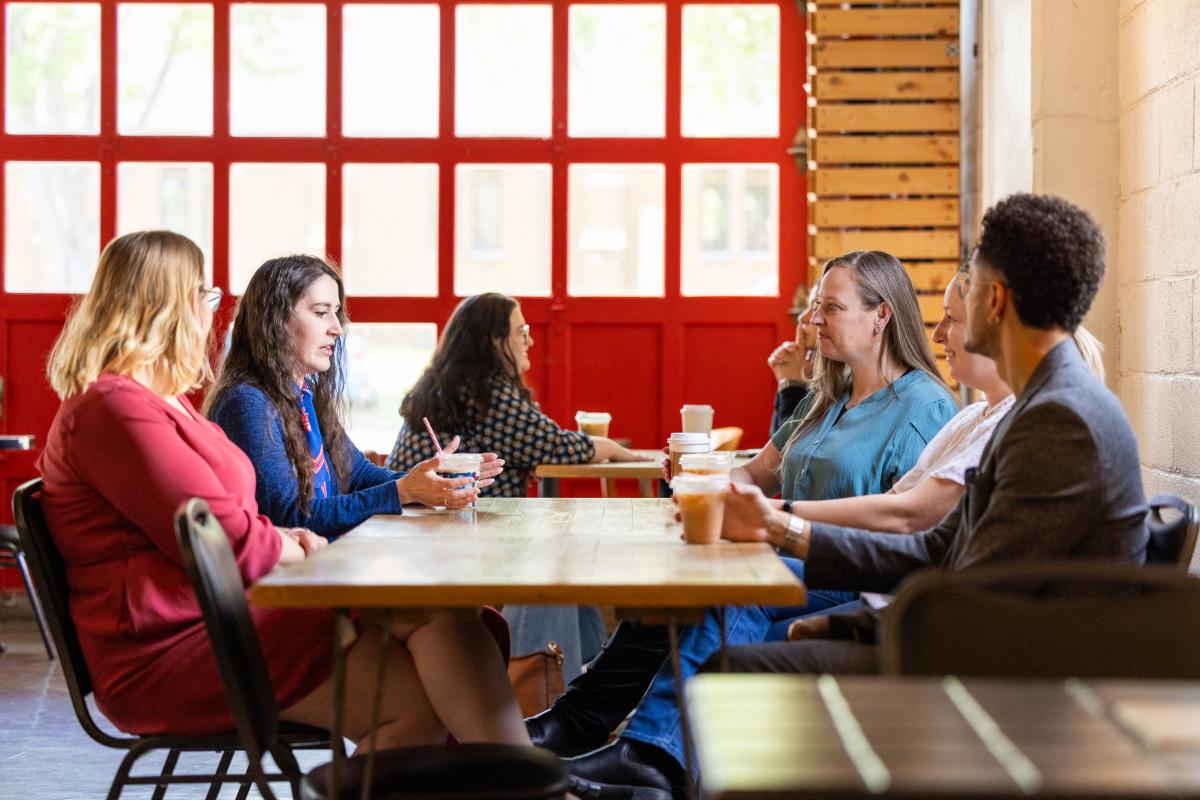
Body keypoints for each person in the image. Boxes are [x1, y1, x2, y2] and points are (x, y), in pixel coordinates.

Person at [37, 231, 530, 753]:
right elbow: (224, 539)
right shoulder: (117, 410)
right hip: (170, 649)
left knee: (447, 618)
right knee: (420, 690)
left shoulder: (159, 402)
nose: (210, 314)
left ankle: (525, 781)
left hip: (220, 619)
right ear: (167, 308)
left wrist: (299, 531)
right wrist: (296, 542)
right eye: (204, 297)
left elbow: (244, 518)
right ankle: (527, 783)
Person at [533, 251, 959, 797]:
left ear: (881, 317)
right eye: (815, 308)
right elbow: (759, 472)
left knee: (723, 593)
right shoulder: (829, 397)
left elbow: (910, 526)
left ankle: (651, 755)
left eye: (831, 307)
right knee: (673, 590)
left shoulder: (923, 407)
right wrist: (701, 474)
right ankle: (577, 723)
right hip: (783, 560)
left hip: (843, 575)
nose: (814, 321)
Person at [714, 192, 1148, 677]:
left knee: (727, 671)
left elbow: (978, 591)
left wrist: (858, 624)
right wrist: (780, 528)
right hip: (985, 643)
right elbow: (941, 551)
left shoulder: (1058, 420)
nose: (940, 331)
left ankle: (647, 753)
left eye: (968, 291)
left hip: (1013, 678)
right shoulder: (1038, 405)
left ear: (995, 299)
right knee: (730, 655)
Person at [389, 292, 641, 683]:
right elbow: (557, 445)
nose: (530, 340)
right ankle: (550, 684)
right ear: (494, 341)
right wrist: (614, 449)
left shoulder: (447, 385)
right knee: (556, 555)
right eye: (521, 331)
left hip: (421, 534)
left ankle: (577, 676)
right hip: (447, 540)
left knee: (561, 549)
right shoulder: (486, 393)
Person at [205, 254, 502, 538]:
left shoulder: (304, 394)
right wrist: (405, 490)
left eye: (336, 313)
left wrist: (433, 480)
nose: (337, 327)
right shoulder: (247, 403)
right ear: (274, 320)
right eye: (321, 313)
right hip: (288, 583)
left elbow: (358, 475)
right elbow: (291, 517)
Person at [767, 284, 818, 434]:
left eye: (815, 307)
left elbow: (790, 446)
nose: (802, 317)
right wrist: (789, 380)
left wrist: (791, 384)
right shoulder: (809, 367)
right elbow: (775, 441)